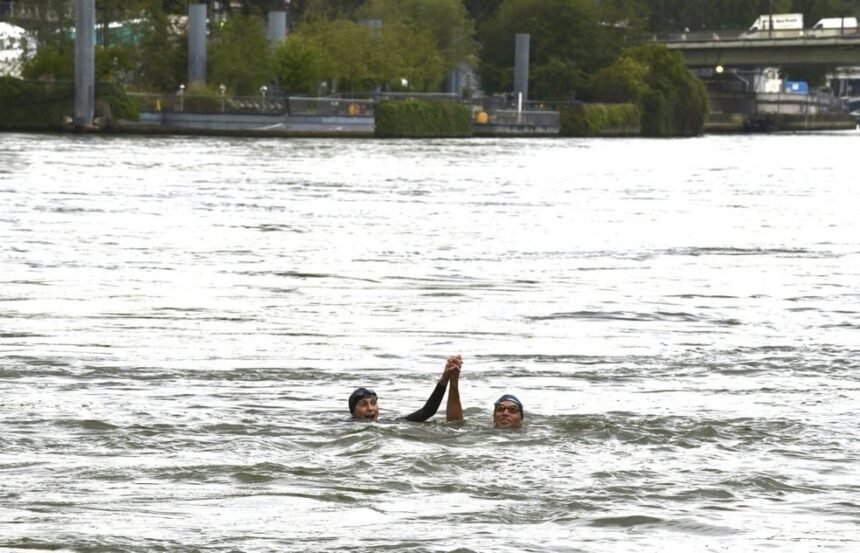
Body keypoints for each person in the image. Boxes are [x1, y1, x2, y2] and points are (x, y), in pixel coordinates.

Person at [348, 354, 462, 422]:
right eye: (363, 404)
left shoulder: (390, 423)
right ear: (353, 412)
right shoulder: (343, 426)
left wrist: (445, 378)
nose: (370, 408)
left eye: (373, 403)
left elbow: (428, 411)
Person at [444, 358, 523, 429]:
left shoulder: (529, 433)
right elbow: (455, 424)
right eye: (500, 409)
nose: (505, 413)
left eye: (512, 409)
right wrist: (454, 382)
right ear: (494, 418)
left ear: (521, 419)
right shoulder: (483, 430)